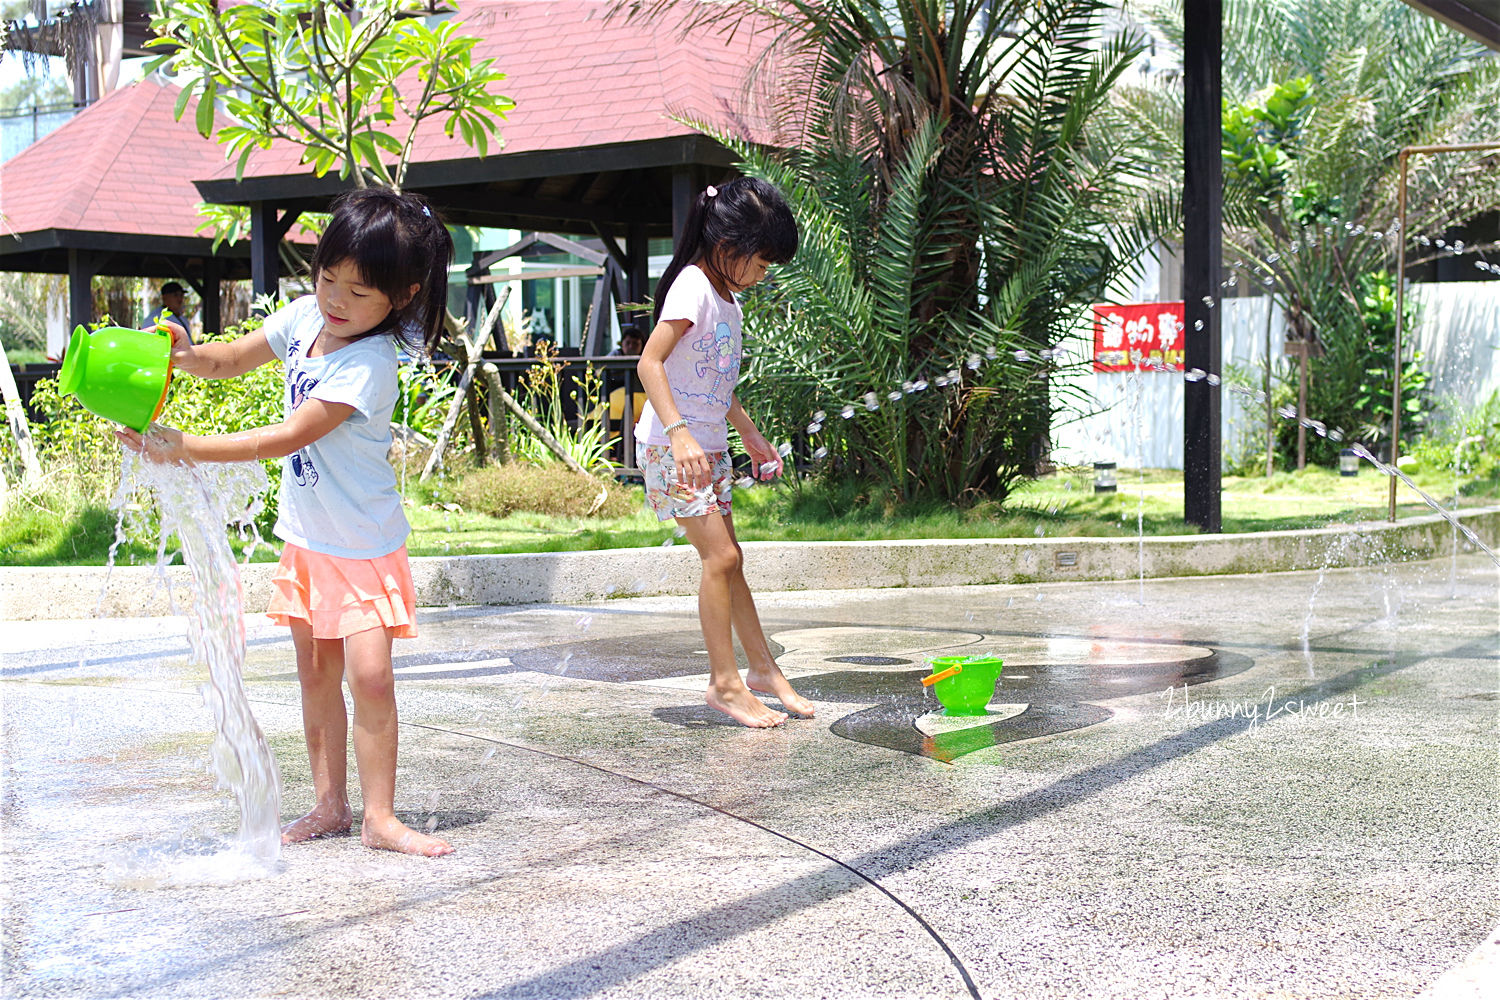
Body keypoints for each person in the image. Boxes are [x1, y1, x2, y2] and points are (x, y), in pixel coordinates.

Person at [115, 189, 456, 857]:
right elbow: (233, 358)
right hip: (308, 544)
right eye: (329, 279)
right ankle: (330, 804)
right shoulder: (304, 319)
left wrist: (183, 448)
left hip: (364, 547)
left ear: (403, 296)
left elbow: (286, 437)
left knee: (372, 676)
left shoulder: (369, 363)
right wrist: (185, 354)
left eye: (359, 293)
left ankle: (380, 817)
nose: (337, 300)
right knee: (315, 676)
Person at [634, 177, 814, 728]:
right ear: (727, 245)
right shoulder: (692, 285)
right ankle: (724, 682)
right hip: (674, 448)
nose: (764, 274)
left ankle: (762, 670)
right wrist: (680, 432)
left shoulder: (726, 298)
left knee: (732, 563)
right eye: (761, 261)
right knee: (722, 559)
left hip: (706, 446)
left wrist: (751, 435)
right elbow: (650, 363)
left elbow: (715, 381)